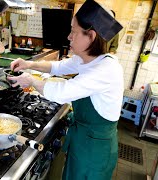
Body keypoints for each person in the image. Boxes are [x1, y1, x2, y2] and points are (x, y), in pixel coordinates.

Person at [8, 0, 123, 179]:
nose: (69, 36)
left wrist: (30, 79)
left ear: (91, 36)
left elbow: (62, 92)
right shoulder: (89, 58)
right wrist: (29, 64)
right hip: (83, 140)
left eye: (74, 32)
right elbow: (58, 67)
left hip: (95, 150)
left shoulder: (106, 68)